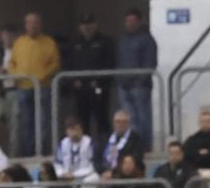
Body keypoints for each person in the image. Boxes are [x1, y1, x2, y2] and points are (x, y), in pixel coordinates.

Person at [9, 13, 60, 157]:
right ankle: (29, 153)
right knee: (26, 123)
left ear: (40, 24)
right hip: (23, 89)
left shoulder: (49, 42)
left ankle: (43, 152)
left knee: (43, 122)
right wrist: (15, 75)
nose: (32, 25)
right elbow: (12, 63)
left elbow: (55, 63)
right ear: (25, 25)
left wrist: (41, 76)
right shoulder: (19, 42)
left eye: (35, 22)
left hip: (42, 88)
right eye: (29, 23)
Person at [64, 14, 116, 137]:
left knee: (101, 119)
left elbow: (109, 63)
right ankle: (85, 146)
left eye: (89, 25)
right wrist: (73, 81)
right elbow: (68, 64)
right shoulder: (75, 43)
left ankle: (103, 147)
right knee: (82, 119)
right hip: (80, 89)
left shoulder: (105, 42)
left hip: (98, 88)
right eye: (83, 25)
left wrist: (99, 81)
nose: (86, 28)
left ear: (95, 25)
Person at [116, 11, 158, 144]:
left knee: (142, 116)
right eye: (128, 21)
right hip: (124, 85)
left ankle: (145, 144)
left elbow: (150, 61)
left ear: (139, 21)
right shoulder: (123, 40)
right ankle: (134, 144)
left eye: (133, 21)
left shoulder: (147, 39)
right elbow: (119, 60)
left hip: (140, 86)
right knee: (130, 118)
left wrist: (141, 79)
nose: (130, 24)